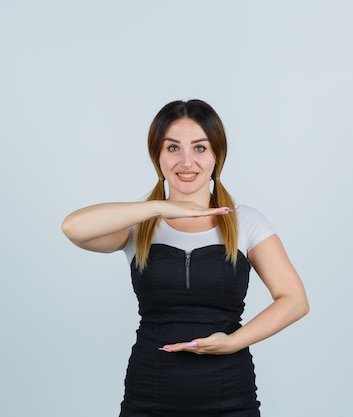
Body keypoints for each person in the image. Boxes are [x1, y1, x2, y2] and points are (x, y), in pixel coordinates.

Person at [62, 99, 309, 417]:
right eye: (173, 148)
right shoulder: (138, 226)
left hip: (230, 397)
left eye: (200, 148)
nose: (187, 161)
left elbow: (294, 300)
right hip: (149, 397)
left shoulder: (246, 221)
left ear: (217, 155)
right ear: (158, 156)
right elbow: (73, 228)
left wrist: (232, 342)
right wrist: (158, 207)